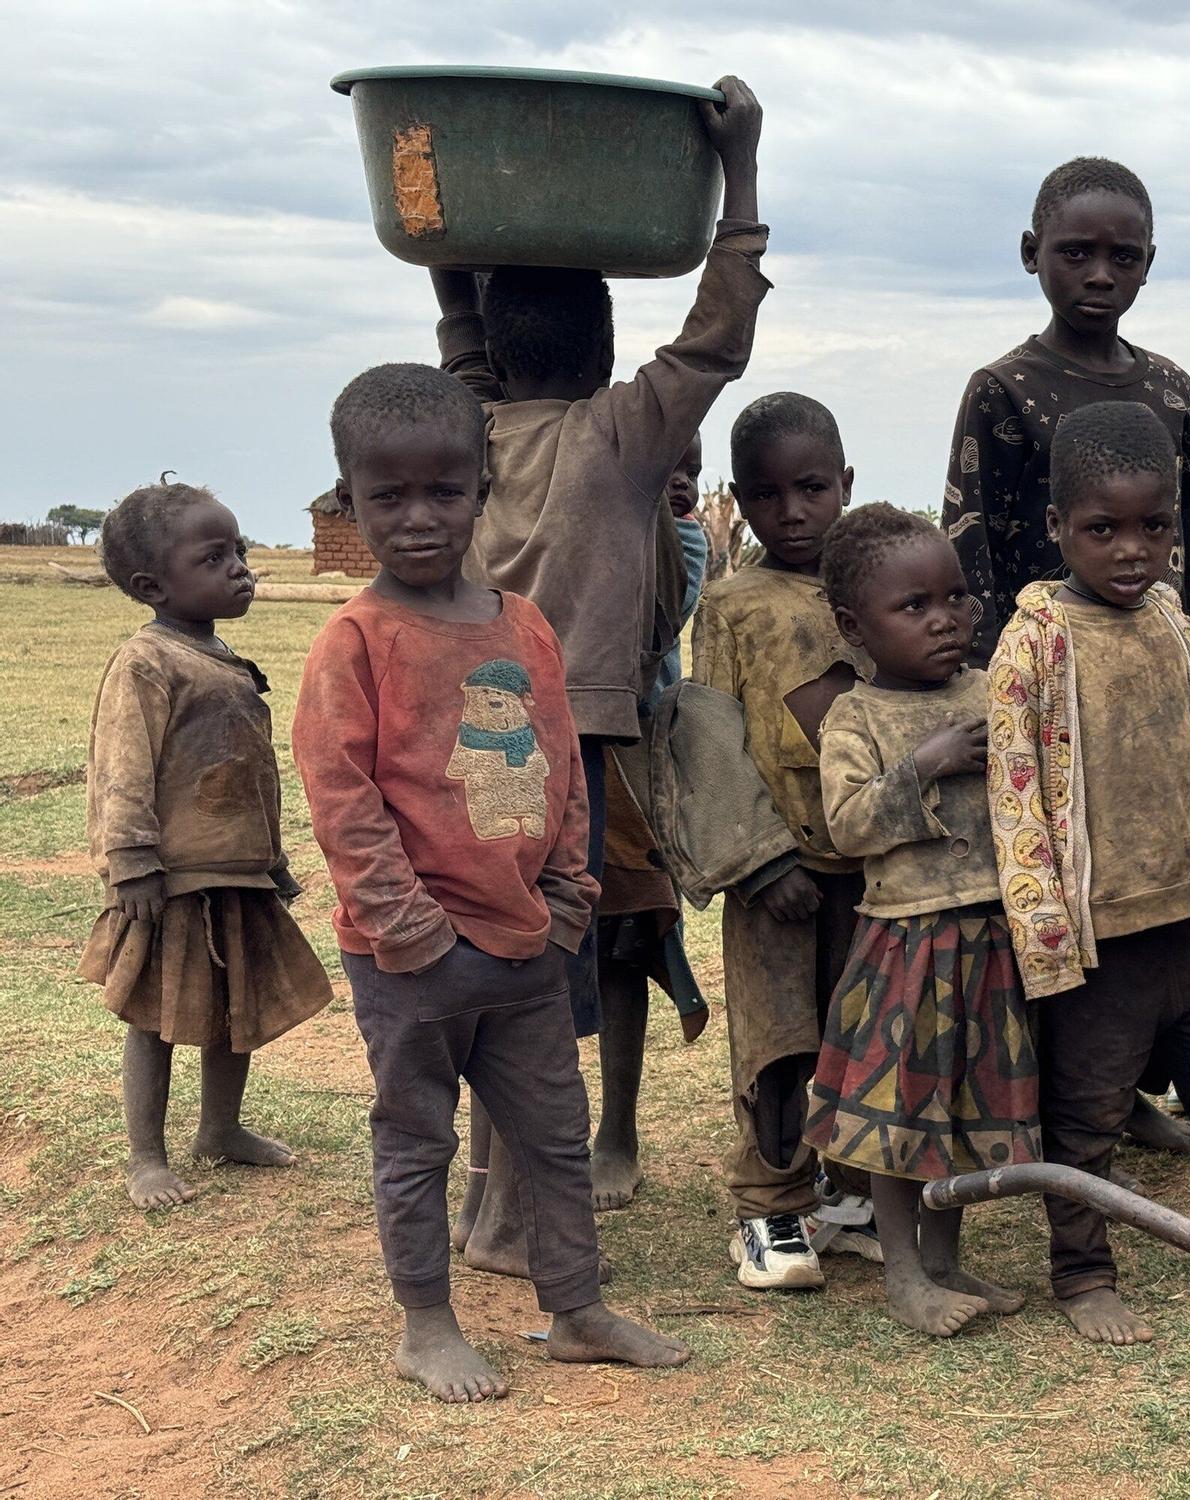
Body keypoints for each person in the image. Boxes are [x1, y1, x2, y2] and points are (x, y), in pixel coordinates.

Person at [294, 363, 685, 1402]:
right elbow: (342, 796)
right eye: (388, 496)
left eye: (443, 490)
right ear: (349, 501)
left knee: (553, 1137)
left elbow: (560, 768)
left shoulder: (525, 628)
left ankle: (576, 1310)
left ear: (481, 488)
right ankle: (426, 1326)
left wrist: (564, 898)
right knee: (415, 1140)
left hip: (523, 947)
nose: (418, 517)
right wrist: (410, 930)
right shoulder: (353, 641)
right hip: (411, 960)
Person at [427, 76, 765, 1261]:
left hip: (465, 749)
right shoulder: (617, 439)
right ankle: (514, 1220)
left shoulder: (462, 437)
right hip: (572, 753)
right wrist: (742, 174)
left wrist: (443, 231)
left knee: (495, 960)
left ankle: (485, 1204)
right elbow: (717, 337)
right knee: (547, 979)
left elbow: (462, 335)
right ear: (610, 349)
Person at [988, 401, 1190, 1347]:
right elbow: (1017, 801)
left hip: (1187, 924)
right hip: (1100, 944)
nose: (1132, 551)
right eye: (1102, 530)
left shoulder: (1175, 622)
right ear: (1058, 530)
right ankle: (1082, 1271)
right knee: (1084, 1116)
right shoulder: (1035, 644)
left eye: (1153, 528)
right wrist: (1048, 937)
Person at [801, 504, 1040, 1337]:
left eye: (956, 598)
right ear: (853, 626)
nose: (945, 620)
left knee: (969, 1113)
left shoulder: (989, 692)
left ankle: (945, 1261)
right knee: (905, 1116)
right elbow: (848, 823)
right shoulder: (854, 718)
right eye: (914, 607)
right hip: (909, 944)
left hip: (991, 941)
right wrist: (924, 765)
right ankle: (903, 1273)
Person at [81, 482, 332, 1211]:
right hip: (172, 877)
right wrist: (131, 861)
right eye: (214, 556)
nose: (240, 567)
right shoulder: (146, 662)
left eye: (241, 550)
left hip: (238, 870)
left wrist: (273, 863)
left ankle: (220, 1129)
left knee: (236, 1008)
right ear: (151, 585)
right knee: (155, 1018)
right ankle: (146, 1158)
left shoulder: (218, 652)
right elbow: (120, 767)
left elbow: (249, 775)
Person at [692, 392, 885, 1290]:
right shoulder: (733, 605)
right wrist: (760, 858)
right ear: (742, 498)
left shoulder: (883, 588)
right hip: (779, 873)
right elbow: (711, 742)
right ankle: (768, 1207)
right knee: (778, 1045)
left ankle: (853, 1195)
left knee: (869, 1034)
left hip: (878, 869)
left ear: (845, 482)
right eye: (767, 497)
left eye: (812, 488)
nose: (793, 511)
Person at [942, 156, 1190, 667]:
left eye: (1124, 258)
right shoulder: (1004, 390)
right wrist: (984, 681)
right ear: (1030, 252)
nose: (1101, 276)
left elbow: (1189, 542)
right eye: (1076, 253)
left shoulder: (1170, 388)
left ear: (1148, 264)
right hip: (1044, 668)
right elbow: (971, 552)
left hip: (1161, 654)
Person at [590, 434, 713, 1211]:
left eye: (692, 472)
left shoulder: (689, 541)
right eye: (661, 470)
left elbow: (651, 629)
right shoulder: (592, 527)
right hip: (551, 757)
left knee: (624, 947)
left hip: (633, 765)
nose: (680, 485)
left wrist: (649, 516)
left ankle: (617, 1131)